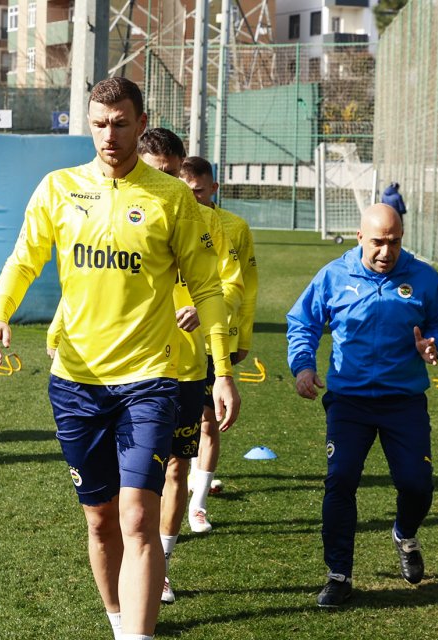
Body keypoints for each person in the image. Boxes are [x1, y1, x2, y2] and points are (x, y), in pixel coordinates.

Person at [0, 78, 240, 640]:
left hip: (150, 379)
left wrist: (221, 371)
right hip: (75, 382)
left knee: (138, 518)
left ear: (141, 122)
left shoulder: (171, 198)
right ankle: (121, 624)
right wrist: (0, 313)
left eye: (121, 122)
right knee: (101, 525)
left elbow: (208, 287)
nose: (109, 134)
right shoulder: (58, 188)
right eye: (99, 123)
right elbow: (24, 259)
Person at [286, 203, 438, 608]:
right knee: (341, 480)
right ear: (360, 237)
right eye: (378, 242)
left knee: (417, 485)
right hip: (349, 401)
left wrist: (434, 344)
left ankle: (404, 533)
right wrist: (303, 366)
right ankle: (338, 575)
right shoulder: (333, 275)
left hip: (404, 401)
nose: (386, 251)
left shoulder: (423, 278)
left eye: (394, 242)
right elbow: (303, 323)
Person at [131, 134, 243, 606]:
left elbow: (230, 288)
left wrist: (222, 364)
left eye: (172, 172)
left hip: (187, 365)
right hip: (130, 364)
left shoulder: (208, 224)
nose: (168, 181)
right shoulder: (113, 210)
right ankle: (131, 556)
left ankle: (161, 567)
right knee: (131, 481)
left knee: (177, 466)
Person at [178, 156, 259, 536]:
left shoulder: (232, 228)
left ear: (213, 188)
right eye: (185, 190)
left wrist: (241, 335)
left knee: (208, 424)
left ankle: (197, 505)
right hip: (168, 345)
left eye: (198, 190)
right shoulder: (169, 219)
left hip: (214, 342)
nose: (192, 198)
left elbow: (244, 286)